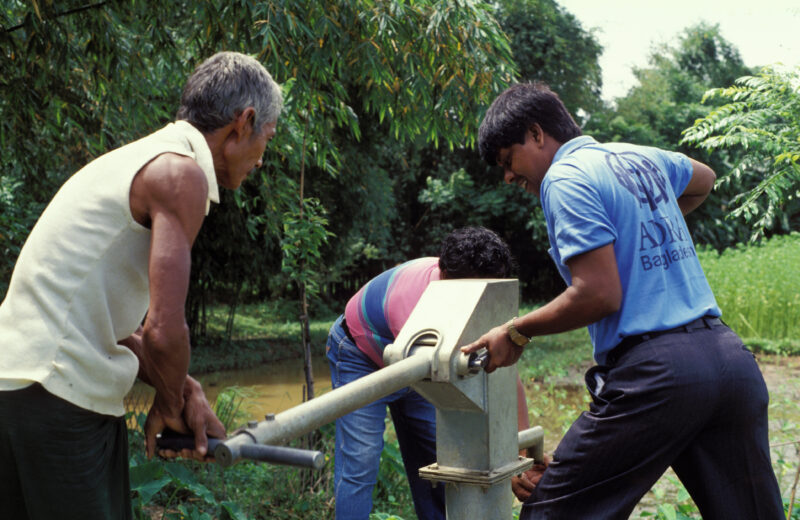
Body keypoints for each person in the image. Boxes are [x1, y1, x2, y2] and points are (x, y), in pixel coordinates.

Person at [462, 83, 785, 519]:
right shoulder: (640, 156)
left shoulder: (563, 178)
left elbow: (598, 294)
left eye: (508, 160)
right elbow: (704, 178)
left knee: (549, 512)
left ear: (537, 134)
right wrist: (637, 221)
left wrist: (516, 331)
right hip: (731, 363)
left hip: (660, 376)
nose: (508, 176)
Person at [0, 51, 283, 520]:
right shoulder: (181, 174)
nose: (261, 160)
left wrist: (184, 388)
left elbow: (100, 325)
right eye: (266, 140)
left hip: (15, 389)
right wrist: (172, 402)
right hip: (58, 402)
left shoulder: (138, 160)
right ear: (243, 123)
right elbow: (163, 331)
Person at [327, 226, 537, 520]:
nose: (480, 300)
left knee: (442, 460)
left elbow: (506, 372)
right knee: (359, 464)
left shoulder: (485, 291)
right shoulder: (414, 304)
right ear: (446, 276)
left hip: (418, 363)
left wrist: (520, 453)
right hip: (360, 356)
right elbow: (440, 378)